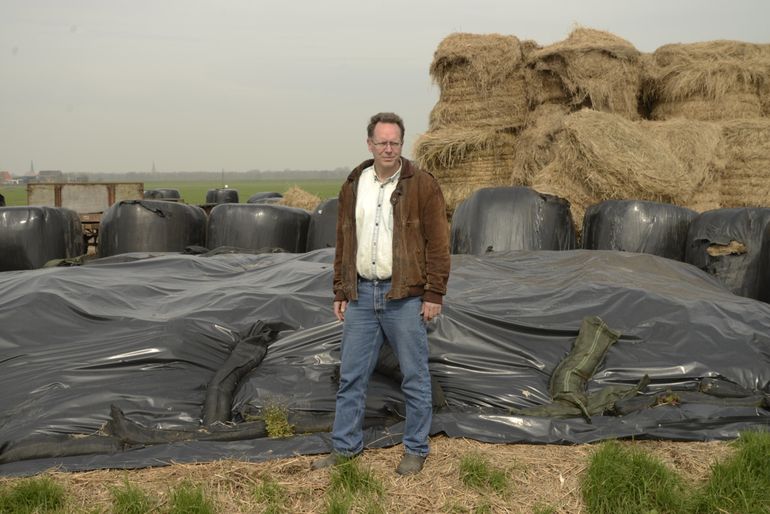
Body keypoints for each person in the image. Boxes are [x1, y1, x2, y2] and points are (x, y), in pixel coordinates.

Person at [312, 112, 451, 475]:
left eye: (395, 142)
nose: (388, 148)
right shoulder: (355, 183)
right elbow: (345, 239)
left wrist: (434, 293)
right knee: (351, 377)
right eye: (382, 142)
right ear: (370, 144)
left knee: (415, 376)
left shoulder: (422, 184)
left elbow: (438, 244)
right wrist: (341, 288)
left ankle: (415, 449)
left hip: (403, 296)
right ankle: (345, 449)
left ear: (401, 144)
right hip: (361, 295)